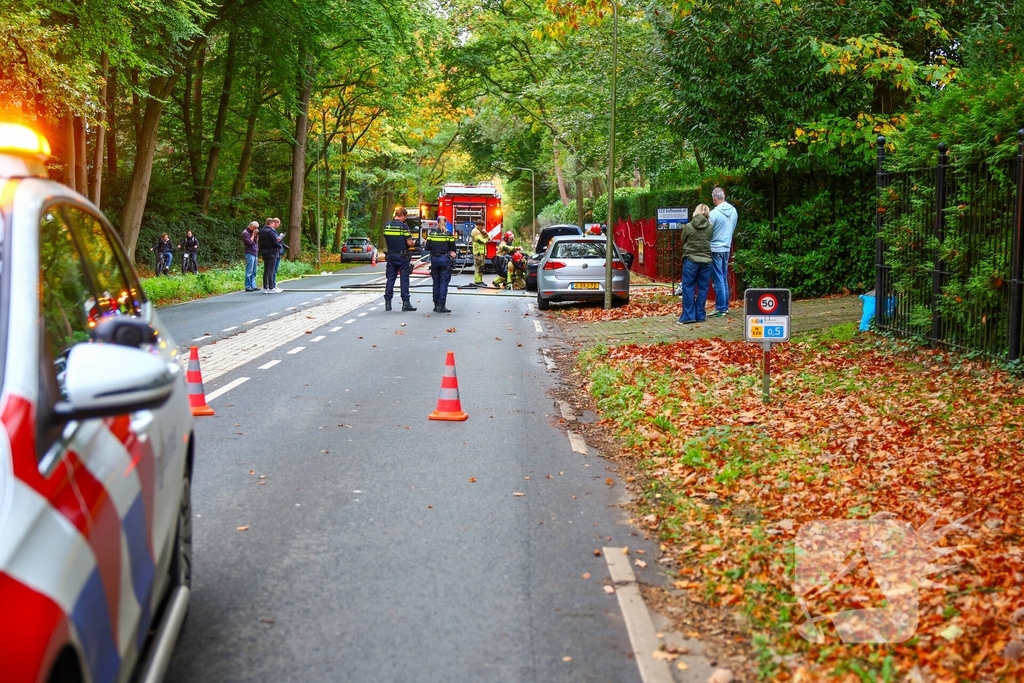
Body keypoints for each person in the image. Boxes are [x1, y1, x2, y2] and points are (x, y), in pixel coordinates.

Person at [678, 204, 713, 324]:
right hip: (706, 260)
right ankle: (700, 314)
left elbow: (683, 240)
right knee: (703, 288)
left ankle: (688, 316)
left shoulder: (688, 226)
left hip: (691, 260)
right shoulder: (710, 227)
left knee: (688, 287)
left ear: (696, 212)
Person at [708, 186, 738, 316]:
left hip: (715, 248)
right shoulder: (734, 211)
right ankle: (725, 306)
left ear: (714, 198)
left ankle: (720, 307)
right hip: (726, 246)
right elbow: (733, 228)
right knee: (724, 276)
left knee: (718, 278)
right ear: (723, 196)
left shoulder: (713, 214)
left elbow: (708, 231)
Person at [382, 207, 417, 311]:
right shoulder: (403, 226)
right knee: (404, 279)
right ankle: (405, 303)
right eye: (404, 217)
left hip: (390, 256)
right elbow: (409, 243)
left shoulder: (387, 226)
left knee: (390, 279)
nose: (404, 219)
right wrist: (415, 243)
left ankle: (388, 303)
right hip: (402, 257)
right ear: (402, 215)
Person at [427, 225, 456, 313]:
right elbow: (453, 248)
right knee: (443, 283)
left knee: (436, 283)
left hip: (435, 260)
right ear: (445, 223)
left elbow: (427, 247)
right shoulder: (448, 234)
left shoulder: (432, 234)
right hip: (445, 260)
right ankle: (441, 305)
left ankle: (436, 305)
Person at [258, 218, 282, 292]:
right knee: (271, 270)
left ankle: (266, 287)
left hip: (264, 252)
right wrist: (280, 246)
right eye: (273, 224)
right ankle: (271, 287)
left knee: (266, 270)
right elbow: (275, 242)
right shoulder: (270, 231)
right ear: (271, 223)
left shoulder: (261, 231)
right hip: (272, 252)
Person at [242, 221, 260, 291]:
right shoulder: (245, 233)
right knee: (249, 270)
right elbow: (249, 242)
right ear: (251, 226)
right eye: (255, 228)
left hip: (255, 253)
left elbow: (256, 241)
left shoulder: (254, 232)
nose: (256, 229)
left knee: (254, 271)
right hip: (249, 253)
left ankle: (253, 285)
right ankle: (248, 286)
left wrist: (256, 235)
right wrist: (253, 235)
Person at [470, 219, 488, 285]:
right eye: (482, 226)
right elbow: (481, 240)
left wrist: (485, 233)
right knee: (478, 267)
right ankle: (477, 281)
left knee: (481, 267)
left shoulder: (481, 231)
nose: (483, 227)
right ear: (478, 225)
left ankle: (480, 280)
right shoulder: (475, 231)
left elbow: (488, 237)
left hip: (482, 252)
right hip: (477, 252)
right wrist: (486, 239)